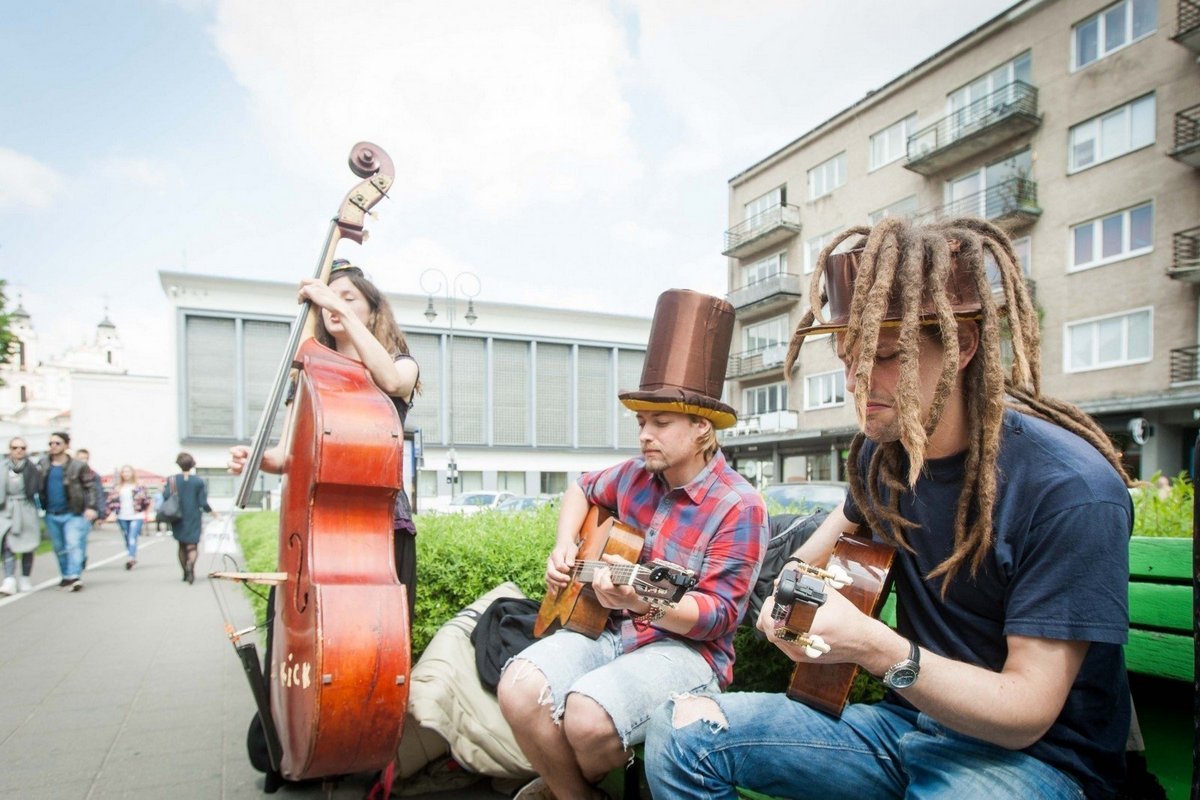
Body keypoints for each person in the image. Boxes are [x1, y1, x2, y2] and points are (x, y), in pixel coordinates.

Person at [644, 218, 1136, 800]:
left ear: (965, 345)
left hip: (1038, 763)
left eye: (881, 355)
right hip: (908, 732)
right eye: (848, 356)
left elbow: (1026, 710)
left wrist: (876, 648)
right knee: (682, 730)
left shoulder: (1070, 490)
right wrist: (787, 606)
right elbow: (805, 563)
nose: (856, 379)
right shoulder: (885, 458)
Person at [497, 289, 768, 800]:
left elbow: (719, 617)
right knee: (518, 688)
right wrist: (563, 549)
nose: (645, 434)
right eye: (642, 421)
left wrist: (646, 601)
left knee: (585, 717)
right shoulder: (633, 476)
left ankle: (564, 786)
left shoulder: (739, 506)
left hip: (687, 652)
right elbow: (581, 486)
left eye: (660, 423)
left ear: (702, 429)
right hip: (604, 626)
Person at [228, 259, 421, 616]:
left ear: (373, 311)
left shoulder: (402, 364)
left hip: (380, 528)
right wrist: (255, 459)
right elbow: (284, 456)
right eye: (329, 300)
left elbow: (392, 382)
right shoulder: (307, 378)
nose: (336, 305)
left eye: (349, 298)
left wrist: (335, 306)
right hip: (315, 529)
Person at [37, 431, 101, 591]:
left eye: (57, 443)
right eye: (51, 443)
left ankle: (74, 576)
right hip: (51, 512)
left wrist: (92, 507)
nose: (53, 446)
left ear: (66, 445)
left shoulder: (78, 466)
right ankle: (66, 575)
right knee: (59, 547)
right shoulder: (43, 464)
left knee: (73, 544)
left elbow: (91, 487)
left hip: (73, 512)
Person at [163, 452, 218, 584]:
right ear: (192, 464)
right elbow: (203, 502)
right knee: (192, 546)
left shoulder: (172, 480)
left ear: (178, 464)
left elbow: (166, 497)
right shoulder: (198, 481)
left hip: (177, 516)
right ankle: (191, 565)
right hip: (193, 516)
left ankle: (184, 572)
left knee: (181, 546)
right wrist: (213, 513)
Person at [0, 437, 43, 595]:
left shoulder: (32, 468)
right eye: (15, 447)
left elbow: (38, 490)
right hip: (7, 510)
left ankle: (25, 578)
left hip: (26, 508)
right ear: (9, 449)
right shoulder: (3, 467)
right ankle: (9, 579)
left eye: (22, 448)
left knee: (27, 545)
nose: (19, 450)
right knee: (7, 544)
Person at [106, 464, 151, 569]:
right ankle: (131, 555)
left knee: (132, 536)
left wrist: (146, 512)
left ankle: (131, 558)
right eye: (124, 472)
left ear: (132, 473)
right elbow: (110, 501)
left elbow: (147, 500)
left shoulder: (139, 485)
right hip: (122, 515)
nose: (126, 474)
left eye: (128, 471)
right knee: (126, 536)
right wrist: (110, 513)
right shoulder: (117, 487)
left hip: (137, 515)